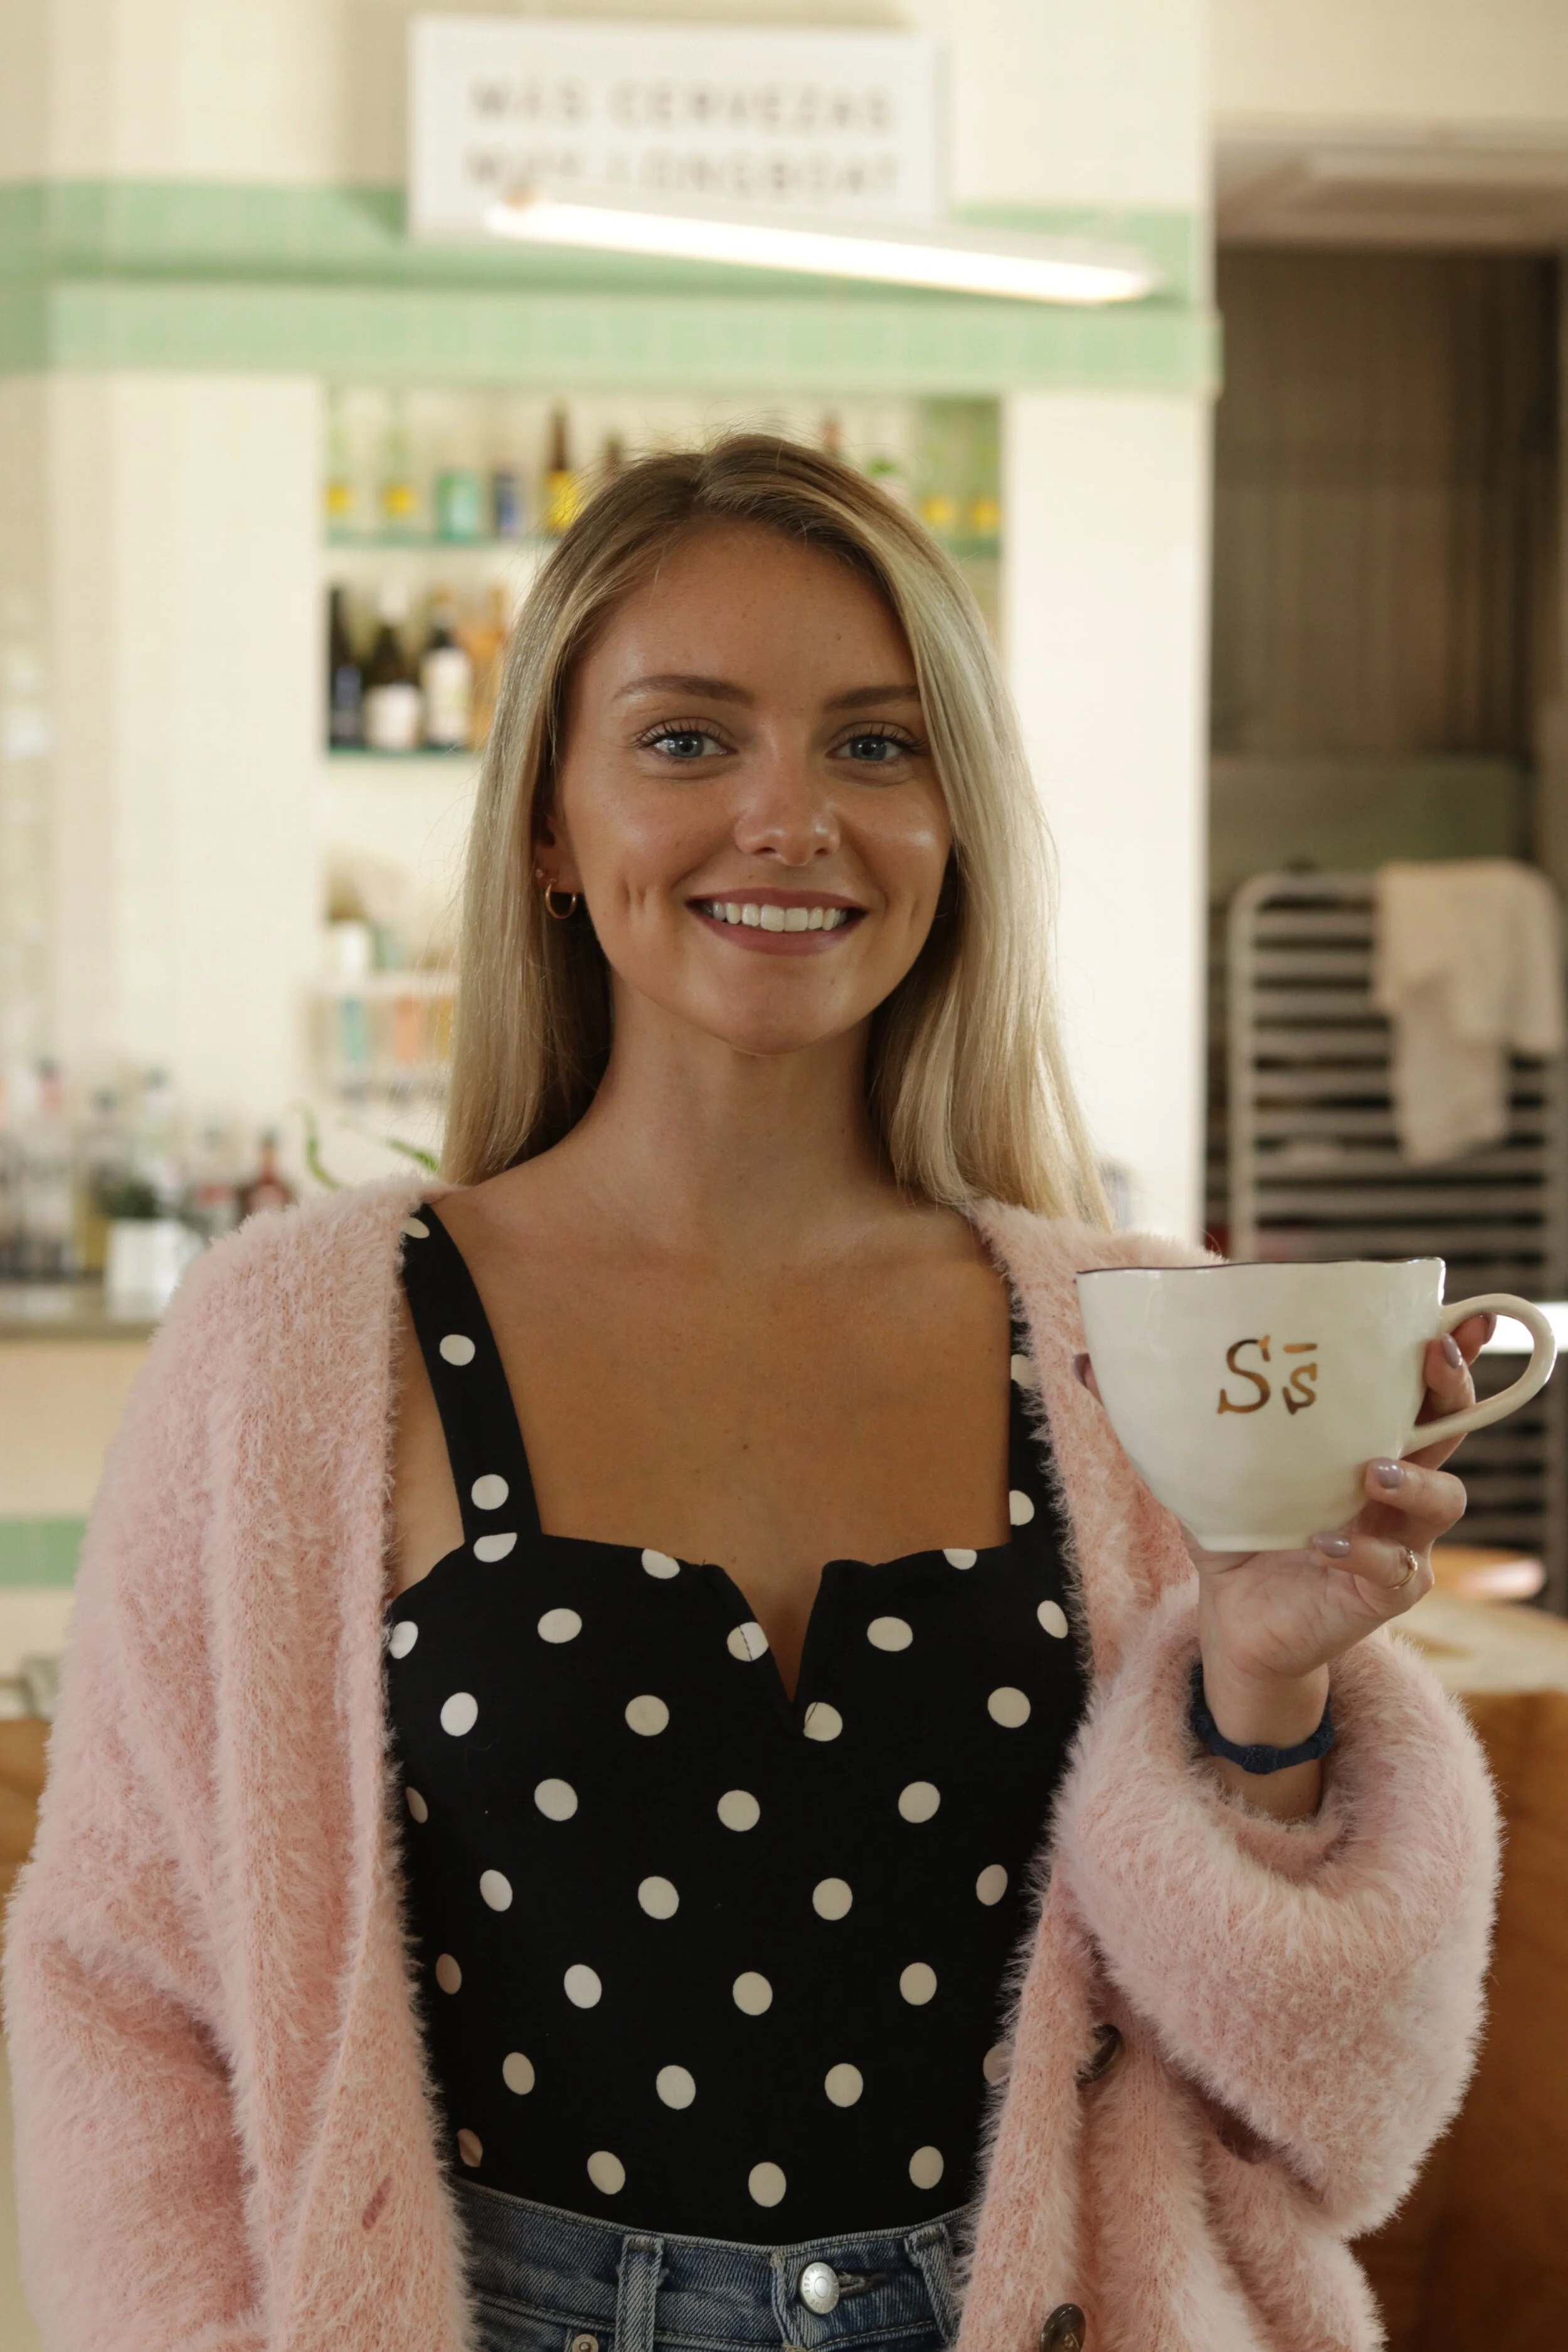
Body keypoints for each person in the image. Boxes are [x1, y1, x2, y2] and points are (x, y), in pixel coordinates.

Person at [4, 438, 1498, 2352]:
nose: (787, 817)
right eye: (688, 740)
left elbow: (1333, 2115)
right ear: (548, 818)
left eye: (874, 747)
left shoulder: (1135, 1340)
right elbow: (127, 1992)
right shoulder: (304, 1339)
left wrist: (1267, 1693)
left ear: (956, 821)